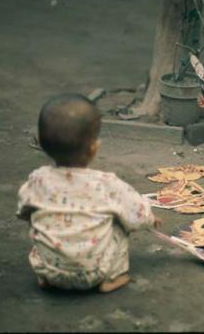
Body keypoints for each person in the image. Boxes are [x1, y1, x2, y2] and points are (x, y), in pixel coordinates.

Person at [17, 93, 162, 293]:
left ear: (41, 145)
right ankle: (112, 278)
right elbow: (137, 213)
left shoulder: (37, 180)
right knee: (120, 224)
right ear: (94, 149)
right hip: (94, 273)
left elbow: (23, 210)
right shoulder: (106, 184)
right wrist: (150, 219)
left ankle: (46, 278)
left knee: (38, 218)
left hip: (48, 268)